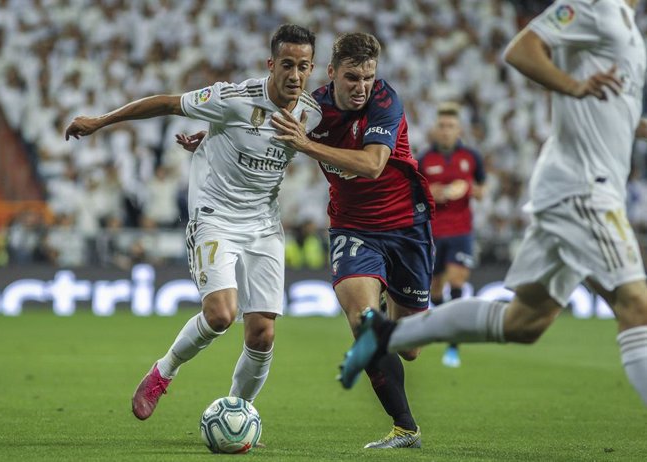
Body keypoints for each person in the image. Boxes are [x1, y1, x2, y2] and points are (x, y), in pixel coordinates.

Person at [338, 0, 647, 410]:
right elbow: (521, 50)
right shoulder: (595, 7)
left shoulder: (628, 24)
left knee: (524, 322)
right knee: (637, 307)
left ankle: (388, 335)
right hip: (584, 189)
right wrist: (573, 87)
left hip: (577, 188)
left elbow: (613, 108)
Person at [65, 24, 322, 421]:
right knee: (221, 314)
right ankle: (162, 373)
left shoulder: (313, 112)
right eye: (286, 64)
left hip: (264, 225)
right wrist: (100, 121)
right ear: (271, 64)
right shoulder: (232, 98)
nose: (294, 75)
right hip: (215, 215)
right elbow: (168, 103)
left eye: (303, 67)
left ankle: (239, 414)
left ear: (312, 68)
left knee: (262, 333)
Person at [270, 32, 434, 449]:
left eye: (367, 76)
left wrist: (306, 146)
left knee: (410, 348)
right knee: (365, 324)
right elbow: (259, 127)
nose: (361, 86)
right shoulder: (313, 108)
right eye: (351, 78)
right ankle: (405, 428)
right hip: (353, 228)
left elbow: (374, 164)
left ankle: (389, 312)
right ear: (331, 74)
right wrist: (210, 142)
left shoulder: (385, 100)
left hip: (406, 229)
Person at [417, 102, 486, 367]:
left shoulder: (471, 157)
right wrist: (432, 193)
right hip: (433, 231)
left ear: (459, 130)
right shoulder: (425, 159)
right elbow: (417, 193)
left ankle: (453, 344)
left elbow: (482, 188)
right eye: (442, 126)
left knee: (457, 282)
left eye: (451, 126)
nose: (446, 131)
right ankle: (445, 324)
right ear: (436, 129)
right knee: (435, 289)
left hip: (461, 230)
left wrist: (466, 188)